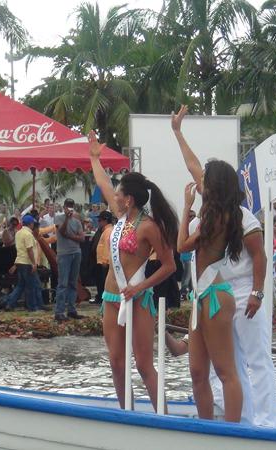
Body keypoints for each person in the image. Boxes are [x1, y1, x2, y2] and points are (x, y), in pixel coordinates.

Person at [172, 105, 276, 427]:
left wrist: (257, 293)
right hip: (214, 289)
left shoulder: (243, 217)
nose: (200, 182)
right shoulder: (210, 211)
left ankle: (268, 419)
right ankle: (244, 418)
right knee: (230, 362)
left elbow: (261, 257)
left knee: (257, 357)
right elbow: (194, 166)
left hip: (243, 289)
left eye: (206, 181)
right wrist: (178, 133)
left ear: (216, 187)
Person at [89, 131, 178, 413]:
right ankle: (127, 415)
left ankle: (163, 418)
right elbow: (103, 182)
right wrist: (94, 158)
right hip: (111, 298)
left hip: (138, 299)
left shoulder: (149, 227)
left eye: (118, 193)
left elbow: (170, 266)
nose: (113, 196)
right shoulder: (120, 218)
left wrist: (140, 287)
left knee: (143, 364)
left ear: (128, 199)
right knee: (116, 362)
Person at [178, 174, 243, 422]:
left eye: (205, 178)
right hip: (201, 295)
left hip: (215, 295)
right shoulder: (215, 214)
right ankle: (206, 427)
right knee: (197, 372)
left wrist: (186, 207)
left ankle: (233, 431)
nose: (200, 182)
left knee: (225, 371)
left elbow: (182, 246)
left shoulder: (218, 218)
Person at [3, 215, 44, 312]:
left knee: (20, 285)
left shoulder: (18, 233)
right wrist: (33, 263)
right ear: (30, 224)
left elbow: (20, 250)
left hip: (20, 262)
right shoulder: (28, 234)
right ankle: (32, 307)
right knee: (31, 285)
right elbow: (29, 250)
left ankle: (9, 303)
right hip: (27, 262)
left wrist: (15, 264)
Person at [54, 198, 85, 322]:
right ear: (64, 207)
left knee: (73, 283)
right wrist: (67, 218)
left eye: (71, 206)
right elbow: (61, 231)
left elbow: (82, 238)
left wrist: (70, 236)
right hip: (64, 254)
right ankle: (59, 311)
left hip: (76, 252)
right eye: (68, 206)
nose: (69, 208)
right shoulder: (59, 218)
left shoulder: (77, 221)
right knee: (63, 283)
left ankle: (71, 310)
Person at [94, 211, 114, 303]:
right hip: (102, 261)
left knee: (104, 281)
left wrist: (105, 261)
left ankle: (104, 299)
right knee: (101, 281)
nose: (98, 222)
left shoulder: (108, 231)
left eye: (100, 220)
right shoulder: (106, 230)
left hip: (104, 262)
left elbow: (107, 246)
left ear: (105, 221)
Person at [179, 210, 196, 300]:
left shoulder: (193, 227)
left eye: (194, 216)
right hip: (186, 256)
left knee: (191, 277)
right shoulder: (185, 228)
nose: (192, 218)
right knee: (187, 276)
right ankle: (183, 293)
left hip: (191, 256)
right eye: (190, 216)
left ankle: (190, 294)